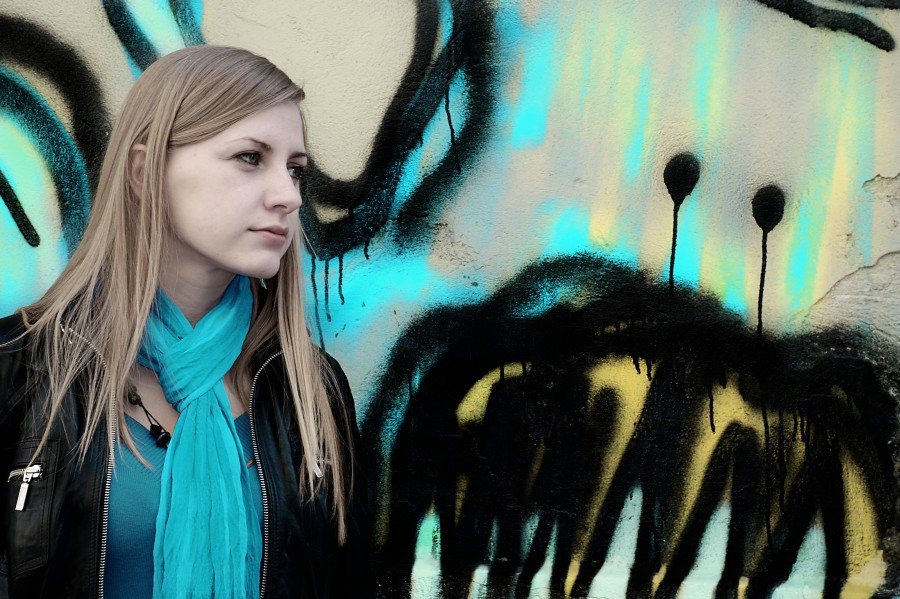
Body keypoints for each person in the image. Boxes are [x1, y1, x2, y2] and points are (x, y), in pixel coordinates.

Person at [0, 45, 373, 598]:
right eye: (250, 157)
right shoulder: (19, 371)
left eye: (295, 170)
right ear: (145, 172)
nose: (288, 196)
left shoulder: (312, 390)